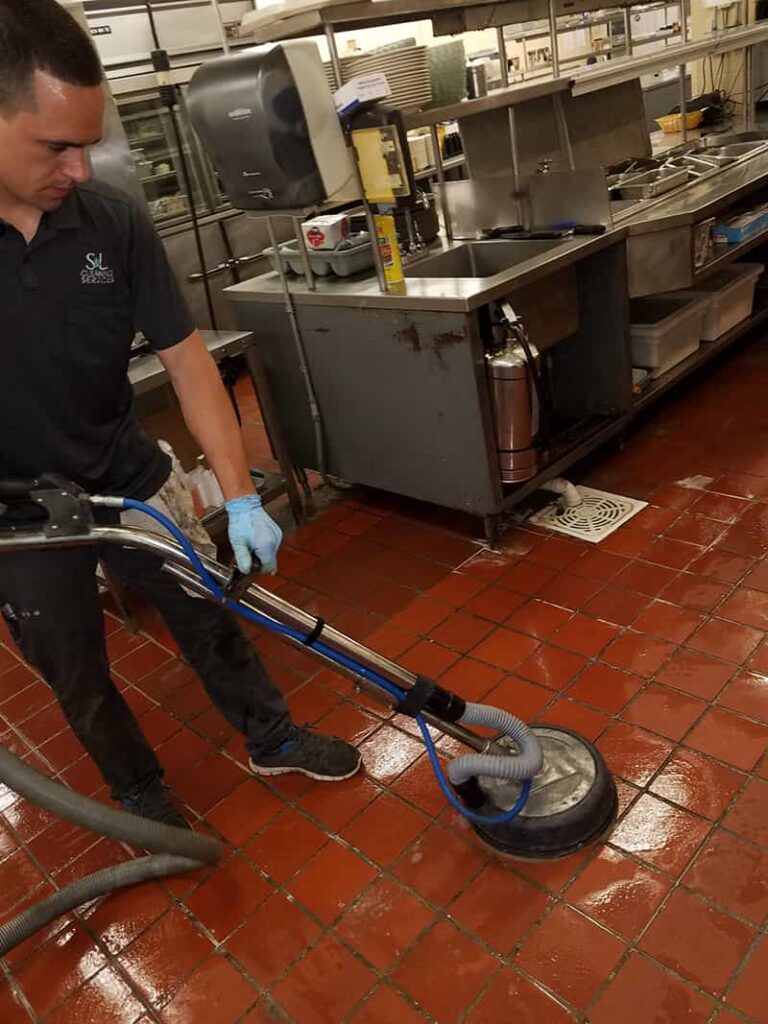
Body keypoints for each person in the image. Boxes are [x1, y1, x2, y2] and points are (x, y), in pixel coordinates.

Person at [0, 0, 361, 829]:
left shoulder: (111, 223)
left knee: (206, 611)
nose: (80, 170)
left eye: (88, 147)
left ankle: (270, 735)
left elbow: (191, 364)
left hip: (125, 476)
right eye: (57, 146)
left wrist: (238, 496)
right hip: (19, 515)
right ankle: (139, 794)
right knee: (75, 669)